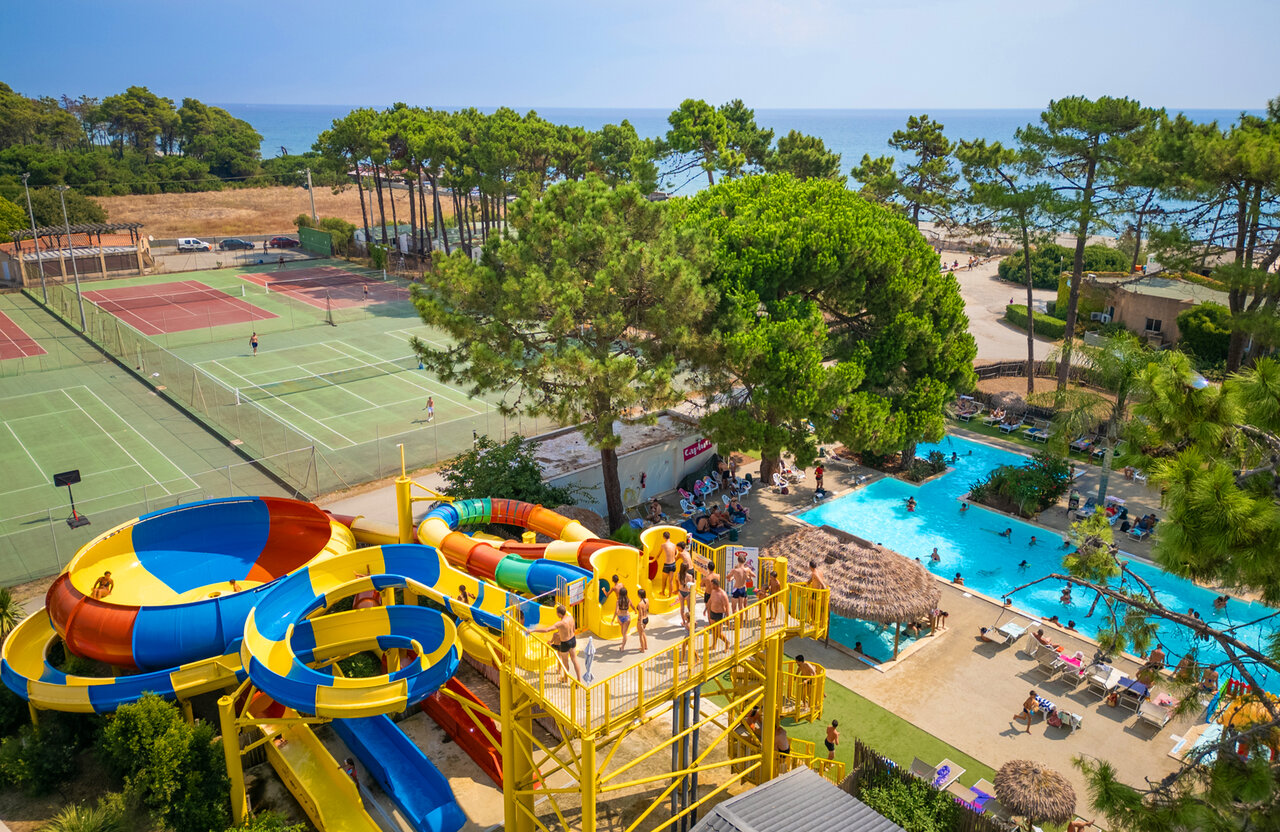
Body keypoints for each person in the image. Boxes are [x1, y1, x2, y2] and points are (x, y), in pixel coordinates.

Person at [533, 604, 582, 683]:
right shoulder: (571, 618)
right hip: (573, 640)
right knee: (574, 659)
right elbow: (573, 630)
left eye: (557, 613)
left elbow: (547, 630)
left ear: (559, 614)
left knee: (565, 662)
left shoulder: (560, 623)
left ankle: (565, 678)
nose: (556, 614)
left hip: (565, 643)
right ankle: (579, 679)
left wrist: (533, 630)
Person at [605, 578, 633, 652]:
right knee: (624, 633)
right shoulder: (628, 600)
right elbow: (632, 605)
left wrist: (612, 620)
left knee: (623, 633)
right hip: (626, 616)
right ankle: (623, 642)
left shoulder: (618, 600)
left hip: (620, 617)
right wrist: (635, 610)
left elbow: (616, 611)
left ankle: (622, 646)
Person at [705, 577, 732, 650]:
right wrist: (706, 608)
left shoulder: (722, 594)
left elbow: (727, 606)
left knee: (719, 633)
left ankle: (727, 642)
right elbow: (710, 600)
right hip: (712, 612)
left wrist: (727, 619)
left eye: (712, 585)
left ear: (716, 585)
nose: (711, 586)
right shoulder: (713, 591)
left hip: (719, 614)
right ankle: (714, 645)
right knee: (713, 630)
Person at [660, 531, 679, 596]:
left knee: (664, 580)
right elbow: (676, 553)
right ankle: (670, 595)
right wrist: (673, 557)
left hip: (667, 565)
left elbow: (658, 554)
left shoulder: (663, 545)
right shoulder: (674, 545)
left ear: (664, 537)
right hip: (673, 564)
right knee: (670, 581)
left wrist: (653, 559)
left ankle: (663, 592)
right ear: (669, 537)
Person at [635, 588, 650, 652]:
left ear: (639, 595)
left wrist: (640, 623)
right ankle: (645, 646)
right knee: (643, 633)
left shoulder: (640, 604)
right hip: (646, 618)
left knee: (640, 635)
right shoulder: (647, 600)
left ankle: (642, 648)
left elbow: (640, 615)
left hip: (641, 620)